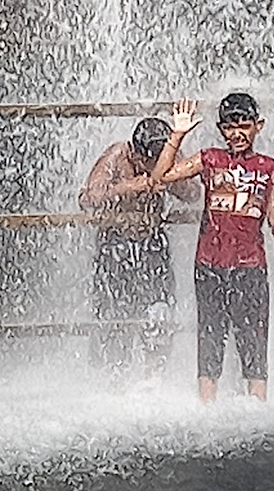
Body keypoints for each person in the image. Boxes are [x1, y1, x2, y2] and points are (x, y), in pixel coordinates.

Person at [149, 92, 274, 401]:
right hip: (209, 266)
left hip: (251, 268)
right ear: (220, 130)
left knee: (254, 342)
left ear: (259, 126)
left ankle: (258, 409)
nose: (237, 134)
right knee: (209, 339)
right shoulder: (210, 160)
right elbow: (159, 177)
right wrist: (176, 135)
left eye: (244, 126)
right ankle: (208, 410)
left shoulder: (268, 168)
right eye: (230, 128)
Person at [79, 117, 196, 377]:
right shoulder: (117, 155)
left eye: (159, 160)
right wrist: (127, 187)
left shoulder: (170, 154)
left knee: (160, 312)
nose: (155, 167)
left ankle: (153, 377)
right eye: (149, 163)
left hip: (153, 243)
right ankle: (115, 377)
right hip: (116, 244)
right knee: (114, 314)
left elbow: (193, 194)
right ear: (135, 153)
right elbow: (87, 197)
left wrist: (171, 180)